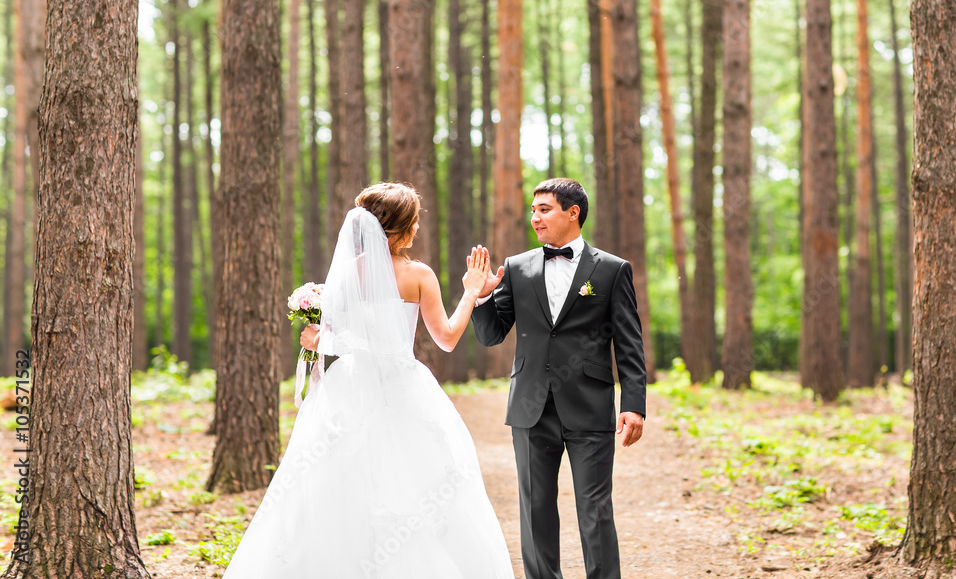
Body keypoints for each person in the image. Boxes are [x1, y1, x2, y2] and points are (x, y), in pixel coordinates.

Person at [223, 182, 514, 578]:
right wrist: (470, 291)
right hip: (403, 388)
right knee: (416, 484)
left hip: (349, 387)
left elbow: (341, 336)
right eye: (414, 222)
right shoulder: (417, 275)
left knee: (337, 481)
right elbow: (446, 339)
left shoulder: (343, 275)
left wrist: (318, 338)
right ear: (404, 228)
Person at [470, 177, 646, 579]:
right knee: (535, 510)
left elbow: (630, 343)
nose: (535, 218)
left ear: (573, 213)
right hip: (530, 407)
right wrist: (480, 297)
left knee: (595, 509)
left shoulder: (613, 270)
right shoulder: (516, 268)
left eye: (544, 209)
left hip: (590, 406)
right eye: (533, 210)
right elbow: (491, 334)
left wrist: (634, 404)